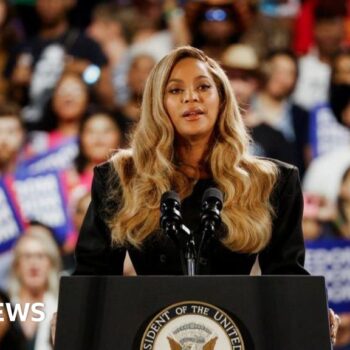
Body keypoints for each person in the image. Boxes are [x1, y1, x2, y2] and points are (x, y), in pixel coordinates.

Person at [73, 46, 340, 343]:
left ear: (222, 98)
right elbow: (92, 278)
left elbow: (287, 277)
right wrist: (73, 316)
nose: (191, 97)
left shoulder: (272, 182)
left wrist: (310, 311)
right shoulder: (119, 178)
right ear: (156, 103)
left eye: (203, 86)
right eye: (175, 90)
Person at [9, 223, 62, 350]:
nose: (34, 264)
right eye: (27, 256)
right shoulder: (4, 308)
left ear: (51, 264)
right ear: (17, 265)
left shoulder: (62, 308)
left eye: (40, 256)